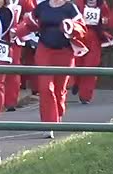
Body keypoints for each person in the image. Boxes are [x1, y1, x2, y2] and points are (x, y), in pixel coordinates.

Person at [33, 0, 83, 130]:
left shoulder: (70, 8)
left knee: (59, 89)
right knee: (45, 87)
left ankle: (58, 114)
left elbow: (82, 27)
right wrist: (19, 31)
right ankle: (49, 124)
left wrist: (71, 26)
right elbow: (30, 22)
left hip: (64, 52)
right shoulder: (42, 6)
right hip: (44, 50)